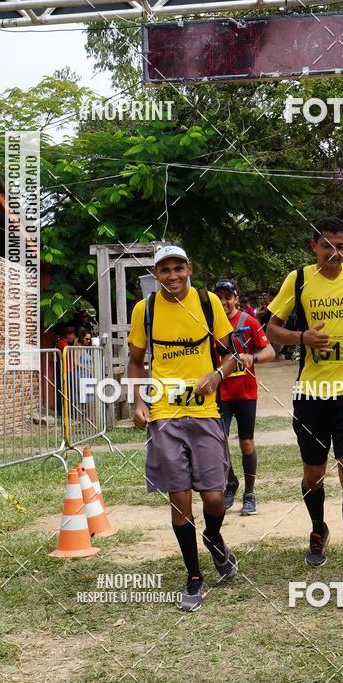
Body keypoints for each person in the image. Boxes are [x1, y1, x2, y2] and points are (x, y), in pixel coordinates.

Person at [266, 215, 343, 592]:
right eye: (328, 246)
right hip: (311, 394)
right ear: (314, 246)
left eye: (342, 246)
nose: (335, 253)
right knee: (314, 474)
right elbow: (272, 329)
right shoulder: (298, 279)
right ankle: (318, 529)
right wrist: (303, 337)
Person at [128, 245, 239, 612]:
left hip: (205, 413)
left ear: (189, 268)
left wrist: (216, 374)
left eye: (178, 267)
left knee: (214, 497)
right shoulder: (145, 311)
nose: (173, 275)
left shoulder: (208, 303)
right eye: (165, 269)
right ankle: (194, 576)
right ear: (155, 274)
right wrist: (139, 402)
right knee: (179, 500)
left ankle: (214, 537)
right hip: (164, 416)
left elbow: (232, 355)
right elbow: (135, 361)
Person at [214, 278, 275, 515]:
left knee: (246, 442)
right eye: (218, 297)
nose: (223, 302)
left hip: (245, 392)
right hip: (221, 392)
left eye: (227, 297)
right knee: (218, 441)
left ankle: (249, 494)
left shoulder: (248, 322)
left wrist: (254, 358)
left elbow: (269, 350)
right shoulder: (210, 324)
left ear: (236, 299)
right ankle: (230, 483)